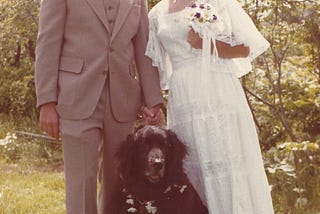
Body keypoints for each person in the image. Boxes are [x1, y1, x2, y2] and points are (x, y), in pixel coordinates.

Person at [145, 0, 275, 213]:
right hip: (183, 98)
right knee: (191, 162)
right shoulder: (157, 13)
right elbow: (154, 63)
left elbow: (246, 48)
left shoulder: (219, 2)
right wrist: (151, 102)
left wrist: (207, 43)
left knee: (225, 157)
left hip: (218, 92)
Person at [34, 0, 163, 213]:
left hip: (122, 98)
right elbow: (47, 42)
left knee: (118, 181)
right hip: (76, 94)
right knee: (81, 180)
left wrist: (153, 99)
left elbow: (143, 46)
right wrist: (47, 102)